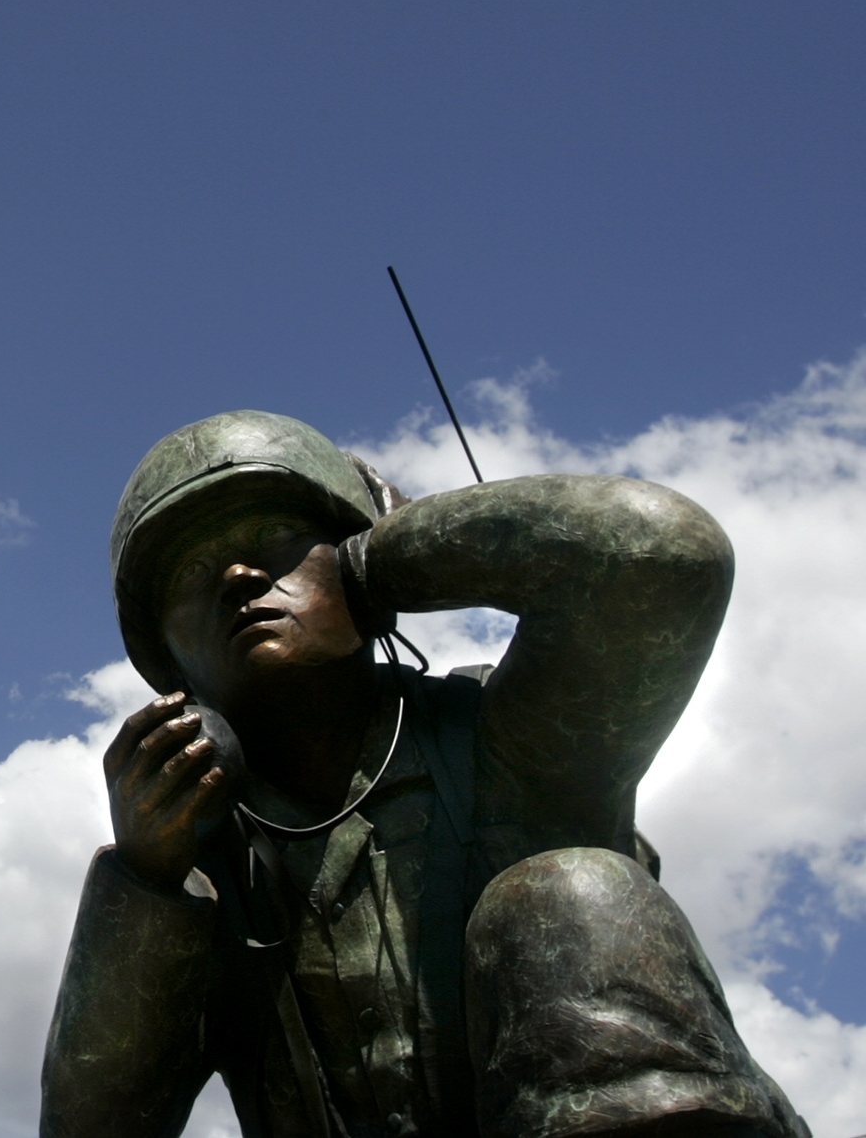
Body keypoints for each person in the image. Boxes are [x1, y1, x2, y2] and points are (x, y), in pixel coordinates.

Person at [41, 410, 804, 1138]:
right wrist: (145, 887)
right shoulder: (200, 868)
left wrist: (390, 559)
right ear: (166, 659)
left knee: (567, 892)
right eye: (191, 570)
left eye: (277, 535)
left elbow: (663, 551)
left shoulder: (508, 742)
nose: (239, 573)